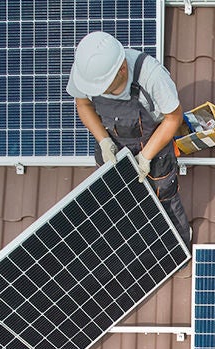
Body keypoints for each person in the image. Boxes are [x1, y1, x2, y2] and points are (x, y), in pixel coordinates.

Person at [67, 31, 191, 245]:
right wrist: (104, 141)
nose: (100, 93)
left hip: (154, 144)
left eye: (105, 89)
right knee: (117, 196)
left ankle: (177, 245)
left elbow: (174, 117)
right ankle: (130, 242)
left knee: (164, 194)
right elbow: (83, 104)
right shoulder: (87, 71)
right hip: (112, 143)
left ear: (122, 69)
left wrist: (145, 157)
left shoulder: (151, 76)